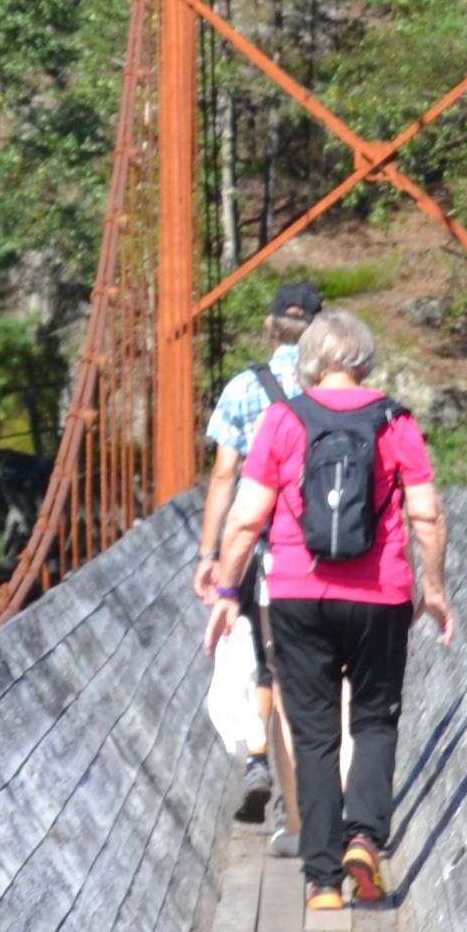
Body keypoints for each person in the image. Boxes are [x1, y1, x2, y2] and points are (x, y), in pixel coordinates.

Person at [205, 306, 455, 912]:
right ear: (365, 363)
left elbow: (244, 520)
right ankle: (364, 836)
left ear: (309, 363)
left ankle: (322, 881)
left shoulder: (283, 419)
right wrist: (437, 588)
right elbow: (426, 514)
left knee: (313, 732)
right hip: (381, 595)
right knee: (373, 720)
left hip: (296, 594)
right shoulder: (395, 421)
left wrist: (226, 595)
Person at [202, 282, 326, 841]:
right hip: (322, 548)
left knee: (257, 652)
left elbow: (225, 475)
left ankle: (260, 760)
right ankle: (307, 802)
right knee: (310, 673)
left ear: (270, 328)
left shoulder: (243, 388)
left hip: (256, 544)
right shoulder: (336, 386)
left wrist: (211, 554)